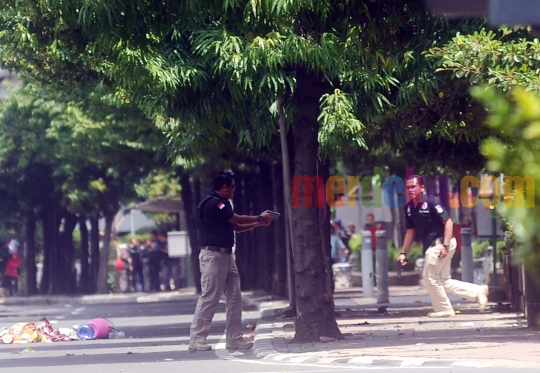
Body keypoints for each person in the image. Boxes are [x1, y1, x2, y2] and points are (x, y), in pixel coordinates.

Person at [189, 171, 275, 352]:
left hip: (227, 257)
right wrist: (259, 217)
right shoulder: (214, 204)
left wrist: (259, 223)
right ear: (225, 187)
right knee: (209, 298)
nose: (234, 190)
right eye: (233, 186)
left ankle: (234, 339)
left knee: (235, 298)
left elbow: (235, 226)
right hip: (213, 257)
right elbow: (237, 219)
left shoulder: (223, 205)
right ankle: (197, 339)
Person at [397, 175, 489, 318]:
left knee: (429, 278)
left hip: (440, 244)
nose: (410, 190)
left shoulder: (432, 202)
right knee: (443, 281)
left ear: (422, 187)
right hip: (434, 245)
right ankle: (478, 291)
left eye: (413, 186)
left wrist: (445, 246)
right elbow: (410, 232)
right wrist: (403, 252)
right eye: (408, 187)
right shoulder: (409, 208)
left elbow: (448, 223)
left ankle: (445, 309)